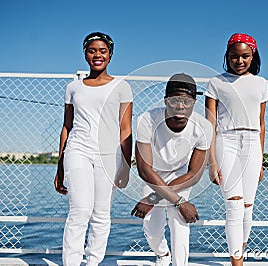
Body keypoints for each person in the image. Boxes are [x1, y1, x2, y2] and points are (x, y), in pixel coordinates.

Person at [54, 32, 133, 266]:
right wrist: (60, 166)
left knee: (101, 215)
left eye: (102, 51)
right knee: (79, 211)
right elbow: (66, 127)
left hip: (109, 155)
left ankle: (93, 262)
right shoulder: (73, 88)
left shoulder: (122, 87)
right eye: (92, 50)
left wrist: (126, 166)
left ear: (110, 55)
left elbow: (125, 128)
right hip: (78, 150)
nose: (97, 55)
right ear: (85, 54)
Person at [131, 73, 213, 266]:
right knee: (151, 227)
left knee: (179, 219)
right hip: (153, 175)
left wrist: (155, 199)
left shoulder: (204, 127)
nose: (180, 106)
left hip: (181, 175)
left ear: (194, 102)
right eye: (174, 100)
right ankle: (162, 254)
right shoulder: (147, 119)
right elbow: (144, 168)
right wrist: (170, 200)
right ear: (165, 101)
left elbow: (195, 173)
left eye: (186, 101)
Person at [205, 33, 268, 266]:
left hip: (252, 144)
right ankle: (237, 263)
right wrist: (212, 162)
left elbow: (261, 124)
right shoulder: (216, 83)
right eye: (234, 56)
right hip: (227, 141)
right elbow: (209, 124)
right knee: (233, 205)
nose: (239, 61)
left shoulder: (261, 84)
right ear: (227, 56)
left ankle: (240, 250)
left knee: (247, 207)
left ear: (253, 56)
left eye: (245, 56)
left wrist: (261, 159)